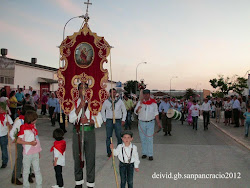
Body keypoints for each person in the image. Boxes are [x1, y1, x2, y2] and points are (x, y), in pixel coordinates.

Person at [69, 83, 103, 188]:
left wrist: (88, 120)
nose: (83, 90)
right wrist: (80, 106)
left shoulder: (94, 103)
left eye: (85, 88)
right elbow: (71, 119)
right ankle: (78, 182)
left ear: (89, 90)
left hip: (89, 132)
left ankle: (90, 183)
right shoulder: (73, 103)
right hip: (77, 132)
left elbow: (100, 121)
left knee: (90, 158)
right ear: (78, 90)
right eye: (81, 88)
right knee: (77, 157)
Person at [10, 105, 35, 185]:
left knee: (29, 158)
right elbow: (12, 132)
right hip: (21, 143)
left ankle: (28, 174)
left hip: (30, 143)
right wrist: (15, 138)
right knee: (20, 159)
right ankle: (15, 177)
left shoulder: (30, 120)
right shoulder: (19, 121)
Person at [16, 110, 42, 188]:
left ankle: (39, 185)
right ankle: (26, 186)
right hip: (27, 153)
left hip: (35, 152)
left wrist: (39, 150)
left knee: (37, 170)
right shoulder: (23, 128)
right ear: (31, 119)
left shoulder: (33, 127)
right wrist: (30, 143)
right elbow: (18, 140)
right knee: (26, 171)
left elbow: (36, 139)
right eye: (35, 119)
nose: (36, 120)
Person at [134, 89, 161, 161]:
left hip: (150, 123)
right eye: (144, 94)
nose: (145, 95)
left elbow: (156, 113)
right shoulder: (140, 102)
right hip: (141, 122)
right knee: (143, 138)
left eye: (147, 94)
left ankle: (150, 154)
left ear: (149, 94)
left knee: (149, 138)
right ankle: (144, 153)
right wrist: (138, 109)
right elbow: (135, 112)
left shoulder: (153, 103)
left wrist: (158, 123)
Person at [101, 88, 127, 158]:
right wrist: (104, 120)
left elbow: (124, 111)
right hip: (109, 120)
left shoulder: (120, 101)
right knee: (109, 137)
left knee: (119, 136)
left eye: (115, 92)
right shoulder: (106, 102)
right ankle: (109, 152)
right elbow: (103, 111)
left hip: (118, 120)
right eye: (112, 92)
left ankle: (119, 151)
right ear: (109, 93)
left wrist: (123, 119)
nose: (113, 94)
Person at [0, 102, 13, 168]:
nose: (0, 110)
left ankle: (4, 162)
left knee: (4, 149)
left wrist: (9, 125)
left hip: (3, 135)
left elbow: (11, 127)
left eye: (2, 109)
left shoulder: (7, 117)